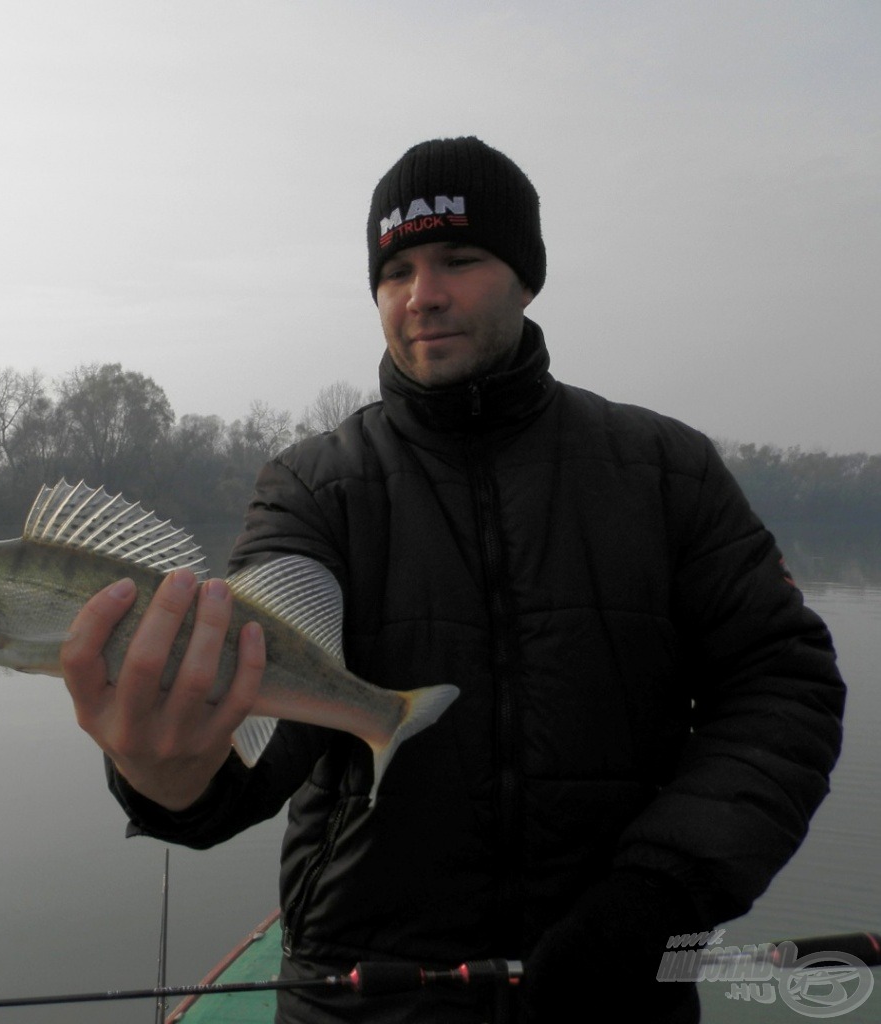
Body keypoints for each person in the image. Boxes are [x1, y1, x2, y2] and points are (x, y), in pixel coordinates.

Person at [61, 137, 846, 1023]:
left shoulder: (669, 471)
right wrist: (169, 776)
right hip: (359, 1000)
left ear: (526, 277)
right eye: (394, 270)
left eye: (459, 260)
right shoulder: (312, 488)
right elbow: (261, 726)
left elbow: (783, 688)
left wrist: (660, 897)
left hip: (614, 990)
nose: (421, 295)